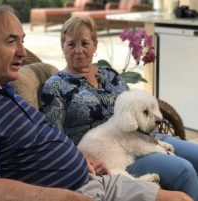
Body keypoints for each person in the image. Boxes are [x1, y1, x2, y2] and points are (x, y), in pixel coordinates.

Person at [0, 4, 193, 201]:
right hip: (78, 193)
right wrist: (68, 197)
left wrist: (82, 155)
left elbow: (44, 138)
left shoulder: (1, 87)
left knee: (180, 198)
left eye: (22, 41)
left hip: (95, 179)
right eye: (11, 41)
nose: (23, 52)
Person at [39, 16, 198, 201]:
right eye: (71, 44)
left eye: (84, 43)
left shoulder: (110, 74)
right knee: (183, 170)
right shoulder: (55, 86)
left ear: (95, 45)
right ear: (62, 47)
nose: (79, 50)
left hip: (148, 137)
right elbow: (54, 137)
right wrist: (86, 157)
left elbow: (137, 107)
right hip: (116, 154)